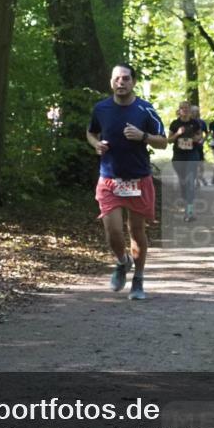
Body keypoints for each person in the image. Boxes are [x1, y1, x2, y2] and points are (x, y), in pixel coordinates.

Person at [86, 64, 167, 300]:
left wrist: (143, 137)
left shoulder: (145, 110)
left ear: (133, 82)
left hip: (138, 179)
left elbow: (163, 141)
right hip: (110, 178)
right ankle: (122, 261)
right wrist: (95, 145)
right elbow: (91, 132)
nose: (121, 83)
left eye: (125, 79)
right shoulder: (101, 108)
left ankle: (138, 280)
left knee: (136, 230)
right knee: (112, 231)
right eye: (117, 79)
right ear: (111, 82)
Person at [168, 101, 202, 222]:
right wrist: (178, 133)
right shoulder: (175, 123)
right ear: (179, 110)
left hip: (192, 156)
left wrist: (195, 138)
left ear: (189, 110)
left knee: (190, 183)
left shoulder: (195, 123)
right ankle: (186, 203)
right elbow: (169, 140)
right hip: (178, 157)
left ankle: (190, 212)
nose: (185, 110)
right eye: (182, 108)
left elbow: (200, 136)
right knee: (183, 183)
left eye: (187, 108)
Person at [190, 105, 208, 187]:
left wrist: (203, 140)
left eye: (196, 111)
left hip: (199, 146)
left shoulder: (202, 122)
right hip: (191, 147)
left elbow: (207, 133)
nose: (194, 113)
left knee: (201, 165)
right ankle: (196, 181)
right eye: (193, 111)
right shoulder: (188, 122)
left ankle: (200, 177)